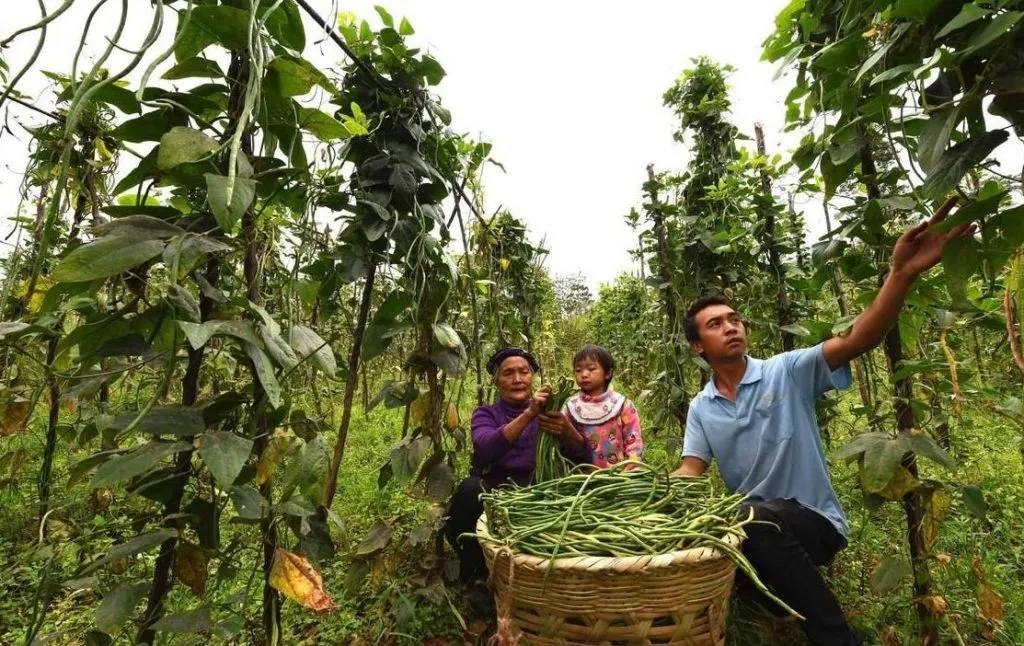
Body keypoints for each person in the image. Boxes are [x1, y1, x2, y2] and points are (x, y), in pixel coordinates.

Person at [672, 197, 972, 646]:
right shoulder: (703, 407)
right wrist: (655, 495)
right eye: (716, 324)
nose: (732, 327)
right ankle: (767, 605)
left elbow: (859, 338)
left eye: (735, 319)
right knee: (714, 543)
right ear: (698, 346)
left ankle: (837, 638)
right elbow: (690, 471)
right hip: (751, 528)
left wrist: (902, 274)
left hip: (813, 523)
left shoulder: (786, 370)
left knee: (750, 517)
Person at [443, 347, 591, 583]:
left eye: (524, 372)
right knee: (469, 491)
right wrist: (529, 415)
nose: (518, 379)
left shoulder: (554, 413)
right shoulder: (486, 414)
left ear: (532, 377)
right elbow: (486, 447)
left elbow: (583, 458)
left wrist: (567, 430)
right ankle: (476, 570)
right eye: (508, 373)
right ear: (497, 382)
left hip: (540, 492)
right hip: (497, 492)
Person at [564, 344, 644, 468]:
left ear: (607, 373)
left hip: (618, 479)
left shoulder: (622, 405)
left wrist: (630, 472)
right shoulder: (571, 407)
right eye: (578, 370)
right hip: (581, 480)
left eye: (591, 369)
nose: (584, 374)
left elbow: (634, 443)